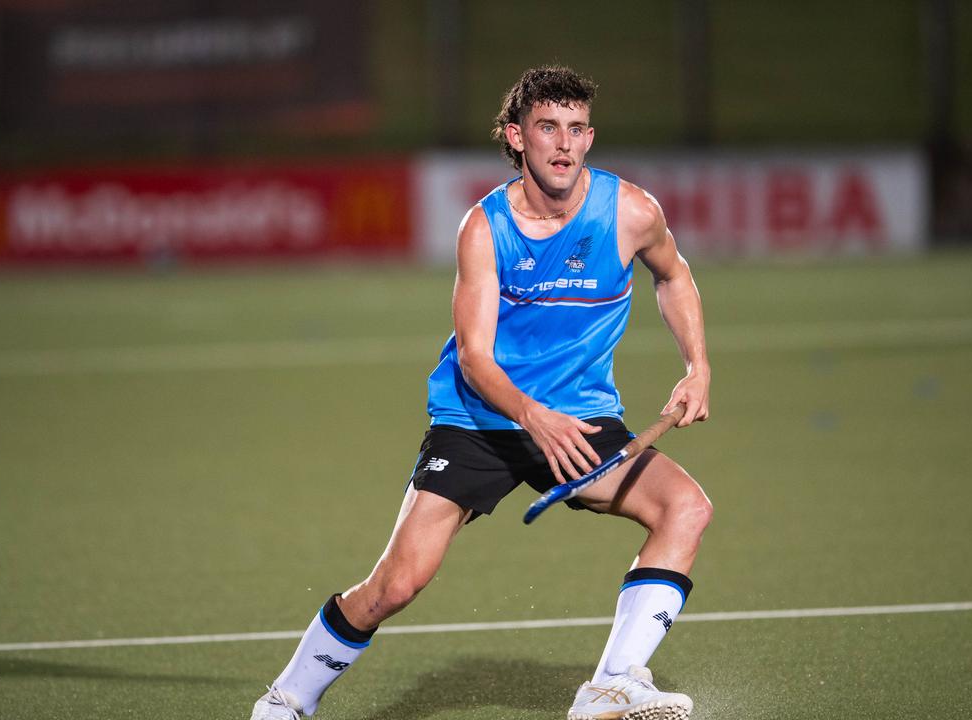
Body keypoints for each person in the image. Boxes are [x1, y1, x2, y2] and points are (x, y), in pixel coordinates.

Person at [251, 65, 712, 720]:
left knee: (686, 509)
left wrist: (697, 365)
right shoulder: (485, 228)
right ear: (516, 136)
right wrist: (531, 417)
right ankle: (288, 700)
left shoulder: (631, 212)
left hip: (577, 419)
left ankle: (612, 684)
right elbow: (473, 356)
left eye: (577, 129)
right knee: (397, 583)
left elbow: (674, 276)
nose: (564, 145)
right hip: (480, 419)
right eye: (548, 128)